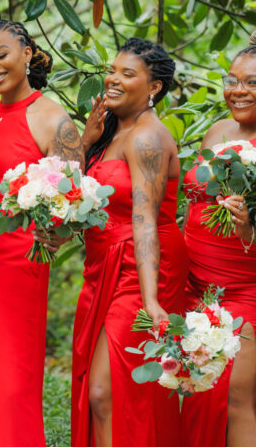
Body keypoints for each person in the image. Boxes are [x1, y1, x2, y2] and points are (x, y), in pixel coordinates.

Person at [0, 19, 84, 447]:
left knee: (11, 385)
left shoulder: (55, 121)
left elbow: (75, 207)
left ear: (28, 54)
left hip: (18, 265)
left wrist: (58, 232)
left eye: (1, 55)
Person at [73, 37, 187, 446]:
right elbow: (61, 186)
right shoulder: (109, 131)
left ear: (153, 86)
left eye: (127, 73)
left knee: (113, 391)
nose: (112, 80)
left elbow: (145, 220)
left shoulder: (147, 138)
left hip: (143, 267)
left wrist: (152, 299)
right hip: (103, 265)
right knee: (100, 392)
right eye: (112, 70)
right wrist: (84, 142)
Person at [181, 29, 256, 447]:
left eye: (253, 82)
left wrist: (250, 228)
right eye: (232, 79)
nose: (238, 90)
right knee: (197, 394)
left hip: (248, 287)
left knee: (235, 395)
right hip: (194, 286)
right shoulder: (215, 133)